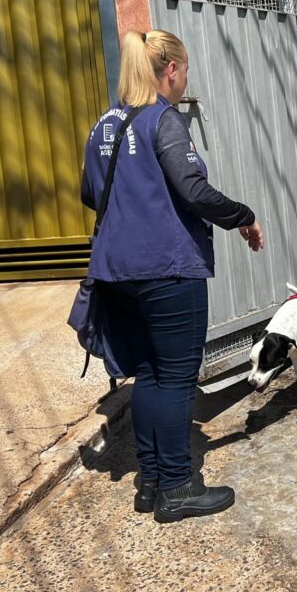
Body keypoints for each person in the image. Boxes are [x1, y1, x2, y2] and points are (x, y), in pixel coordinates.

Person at [80, 29, 264, 523]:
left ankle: (153, 481)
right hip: (166, 267)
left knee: (148, 375)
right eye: (183, 73)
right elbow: (194, 190)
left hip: (117, 272)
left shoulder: (104, 124)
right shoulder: (164, 119)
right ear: (171, 70)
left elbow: (89, 193)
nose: (183, 82)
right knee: (178, 378)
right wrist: (243, 215)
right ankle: (179, 485)